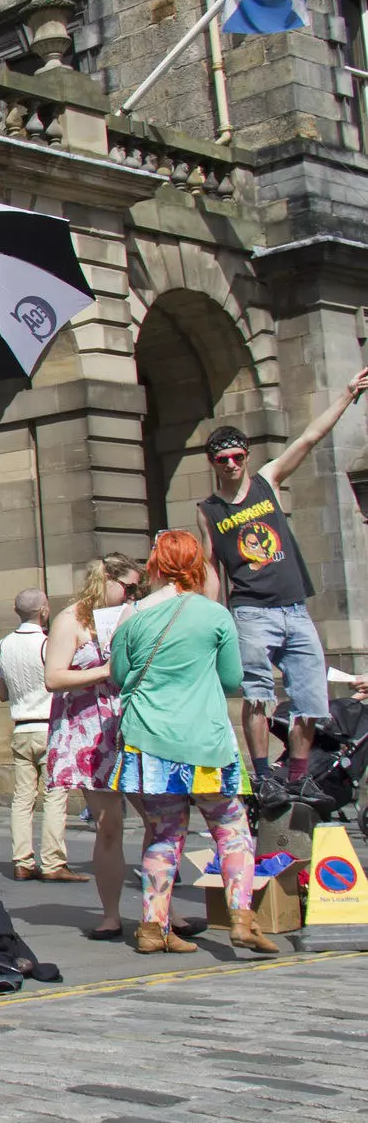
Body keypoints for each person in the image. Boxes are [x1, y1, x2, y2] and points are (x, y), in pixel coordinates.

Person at [107, 531, 275, 957]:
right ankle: (242, 920)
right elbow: (233, 680)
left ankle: (151, 928)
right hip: (205, 740)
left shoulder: (133, 616)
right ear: (197, 565)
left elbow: (120, 677)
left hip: (150, 740)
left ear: (156, 566)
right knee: (231, 827)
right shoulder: (214, 615)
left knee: (164, 834)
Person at [196, 371, 368, 784]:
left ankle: (298, 775)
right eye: (224, 460)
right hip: (252, 612)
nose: (233, 464)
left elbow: (308, 438)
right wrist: (208, 617)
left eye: (238, 457)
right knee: (258, 696)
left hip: (295, 608)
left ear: (248, 457)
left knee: (311, 699)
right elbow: (209, 568)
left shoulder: (267, 482)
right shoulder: (208, 510)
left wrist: (346, 393)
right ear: (213, 463)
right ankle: (260, 774)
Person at [45, 554, 146, 939]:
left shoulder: (132, 615)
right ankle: (112, 914)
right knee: (110, 825)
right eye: (129, 586)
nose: (133, 594)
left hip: (131, 724)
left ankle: (160, 909)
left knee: (160, 817)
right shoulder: (72, 619)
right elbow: (53, 678)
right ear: (106, 579)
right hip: (90, 731)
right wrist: (107, 669)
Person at [0, 588, 79, 883]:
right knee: (54, 795)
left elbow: (2, 693)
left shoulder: (2, 646)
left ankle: (22, 860)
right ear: (43, 611)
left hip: (21, 727)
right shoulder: (48, 643)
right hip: (48, 724)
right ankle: (53, 861)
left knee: (22, 798)